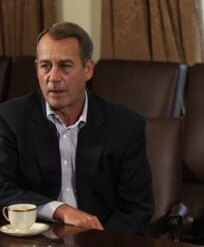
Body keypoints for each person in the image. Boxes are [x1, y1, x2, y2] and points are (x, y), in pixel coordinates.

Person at [0, 22, 154, 235]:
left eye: (65, 66)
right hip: (36, 243)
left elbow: (136, 208)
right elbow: (3, 188)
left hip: (102, 244)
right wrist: (59, 210)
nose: (53, 77)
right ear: (36, 68)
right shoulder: (10, 117)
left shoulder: (125, 125)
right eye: (45, 66)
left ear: (88, 69)